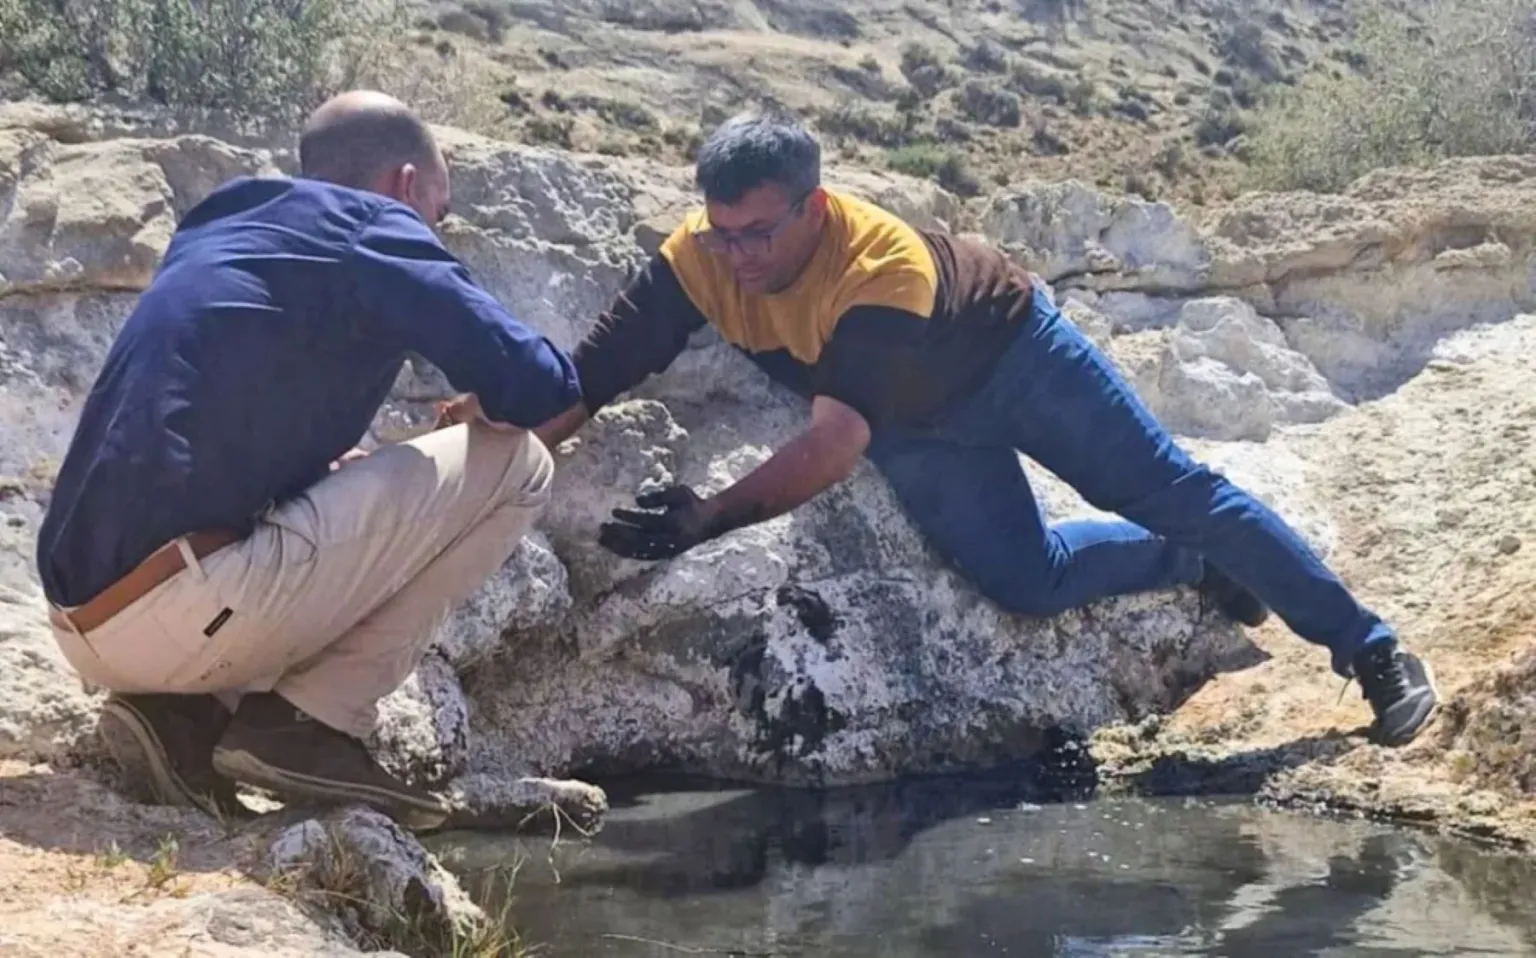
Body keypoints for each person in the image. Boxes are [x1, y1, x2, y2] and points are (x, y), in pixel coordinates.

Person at [512, 112, 1438, 749]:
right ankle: (1193, 564)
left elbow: (835, 444)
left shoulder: (879, 266)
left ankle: (1371, 647)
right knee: (1026, 581)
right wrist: (508, 440)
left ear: (815, 207)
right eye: (722, 233)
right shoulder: (701, 259)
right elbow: (595, 371)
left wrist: (705, 517)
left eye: (758, 233)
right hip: (912, 424)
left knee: (1173, 490)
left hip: (1011, 362)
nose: (739, 257)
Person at [36, 91, 580, 830]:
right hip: (183, 609)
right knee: (520, 465)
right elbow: (543, 385)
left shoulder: (223, 216)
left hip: (83, 623)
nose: (434, 231)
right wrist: (494, 403)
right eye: (439, 214)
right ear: (408, 184)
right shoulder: (377, 225)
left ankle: (181, 719)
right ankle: (312, 721)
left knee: (330, 479)